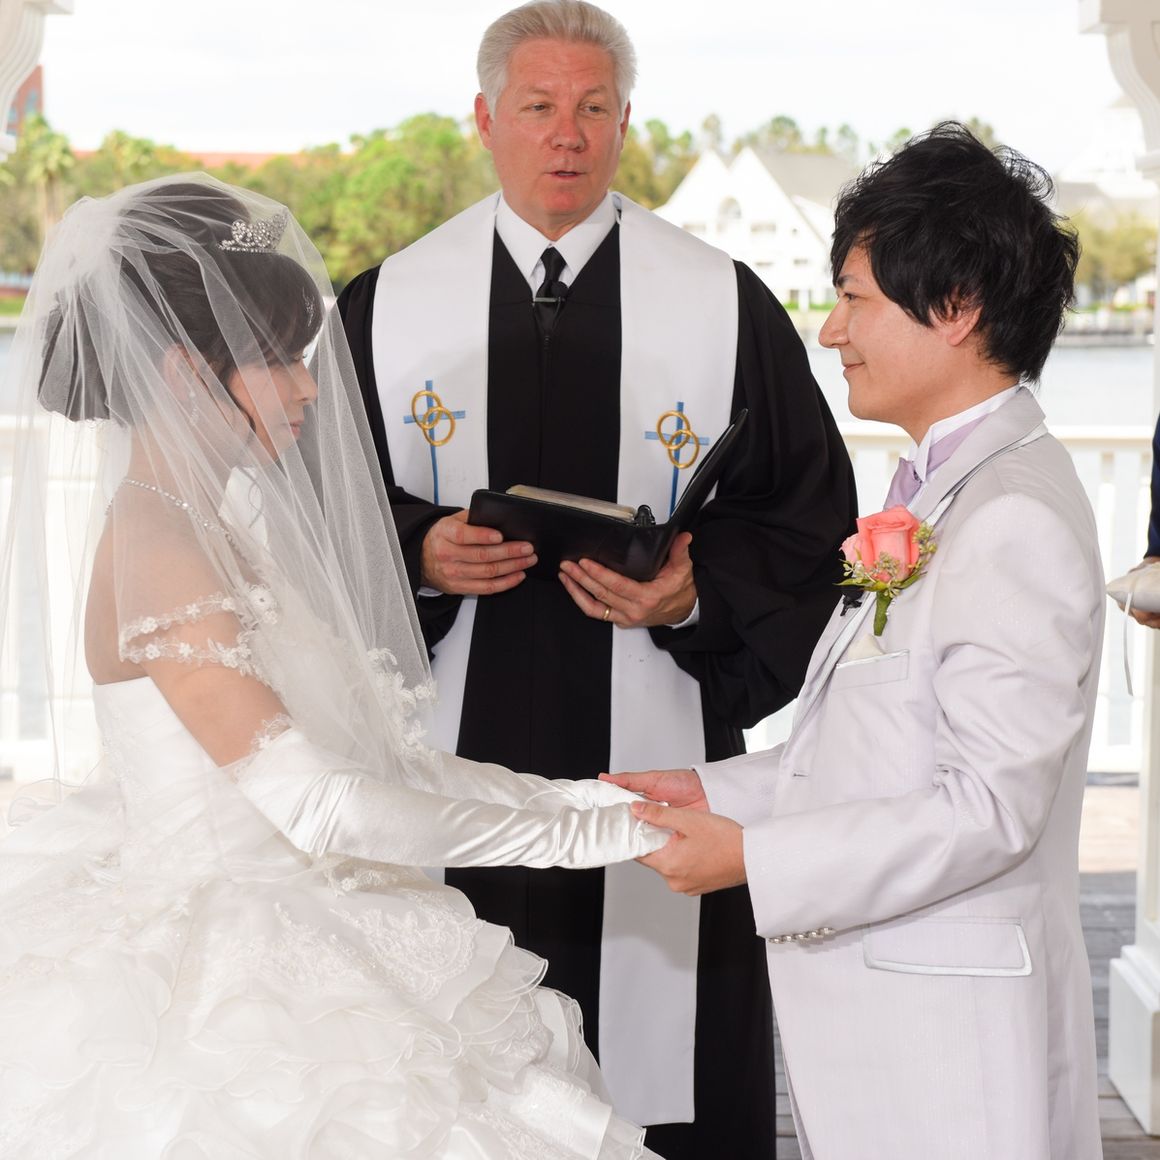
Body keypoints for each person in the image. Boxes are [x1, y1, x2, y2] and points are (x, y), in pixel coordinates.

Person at [0, 175, 672, 1158]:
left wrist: (592, 802)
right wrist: (595, 836)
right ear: (185, 374)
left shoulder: (214, 526)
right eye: (280, 360)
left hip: (313, 910)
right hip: (238, 980)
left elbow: (385, 765)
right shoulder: (162, 549)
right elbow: (317, 804)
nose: (310, 388)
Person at [337, 3, 855, 1151]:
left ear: (625, 122)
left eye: (591, 107)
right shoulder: (385, 304)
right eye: (536, 106)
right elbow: (313, 505)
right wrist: (416, 549)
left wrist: (695, 590)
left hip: (652, 732)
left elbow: (803, 517)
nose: (564, 134)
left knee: (656, 1062)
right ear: (485, 119)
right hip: (445, 731)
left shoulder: (719, 304)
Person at [611, 123, 1105, 1159]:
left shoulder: (1009, 517)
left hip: (954, 1050)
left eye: (853, 298)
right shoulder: (943, 488)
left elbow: (988, 807)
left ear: (956, 308)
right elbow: (883, 746)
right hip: (900, 1028)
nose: (831, 332)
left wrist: (755, 856)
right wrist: (715, 791)